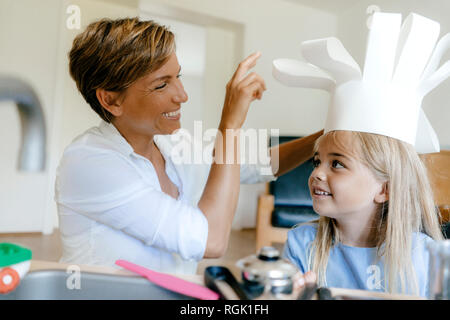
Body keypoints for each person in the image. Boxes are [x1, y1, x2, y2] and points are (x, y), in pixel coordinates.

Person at [55, 17, 322, 274]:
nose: (182, 95)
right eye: (162, 85)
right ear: (111, 100)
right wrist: (230, 125)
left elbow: (255, 166)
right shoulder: (89, 162)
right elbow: (211, 240)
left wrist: (323, 138)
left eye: (178, 76)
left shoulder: (172, 143)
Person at [284, 130, 444, 297]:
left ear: (384, 189)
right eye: (317, 162)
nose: (316, 173)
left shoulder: (424, 254)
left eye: (337, 164)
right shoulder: (301, 244)